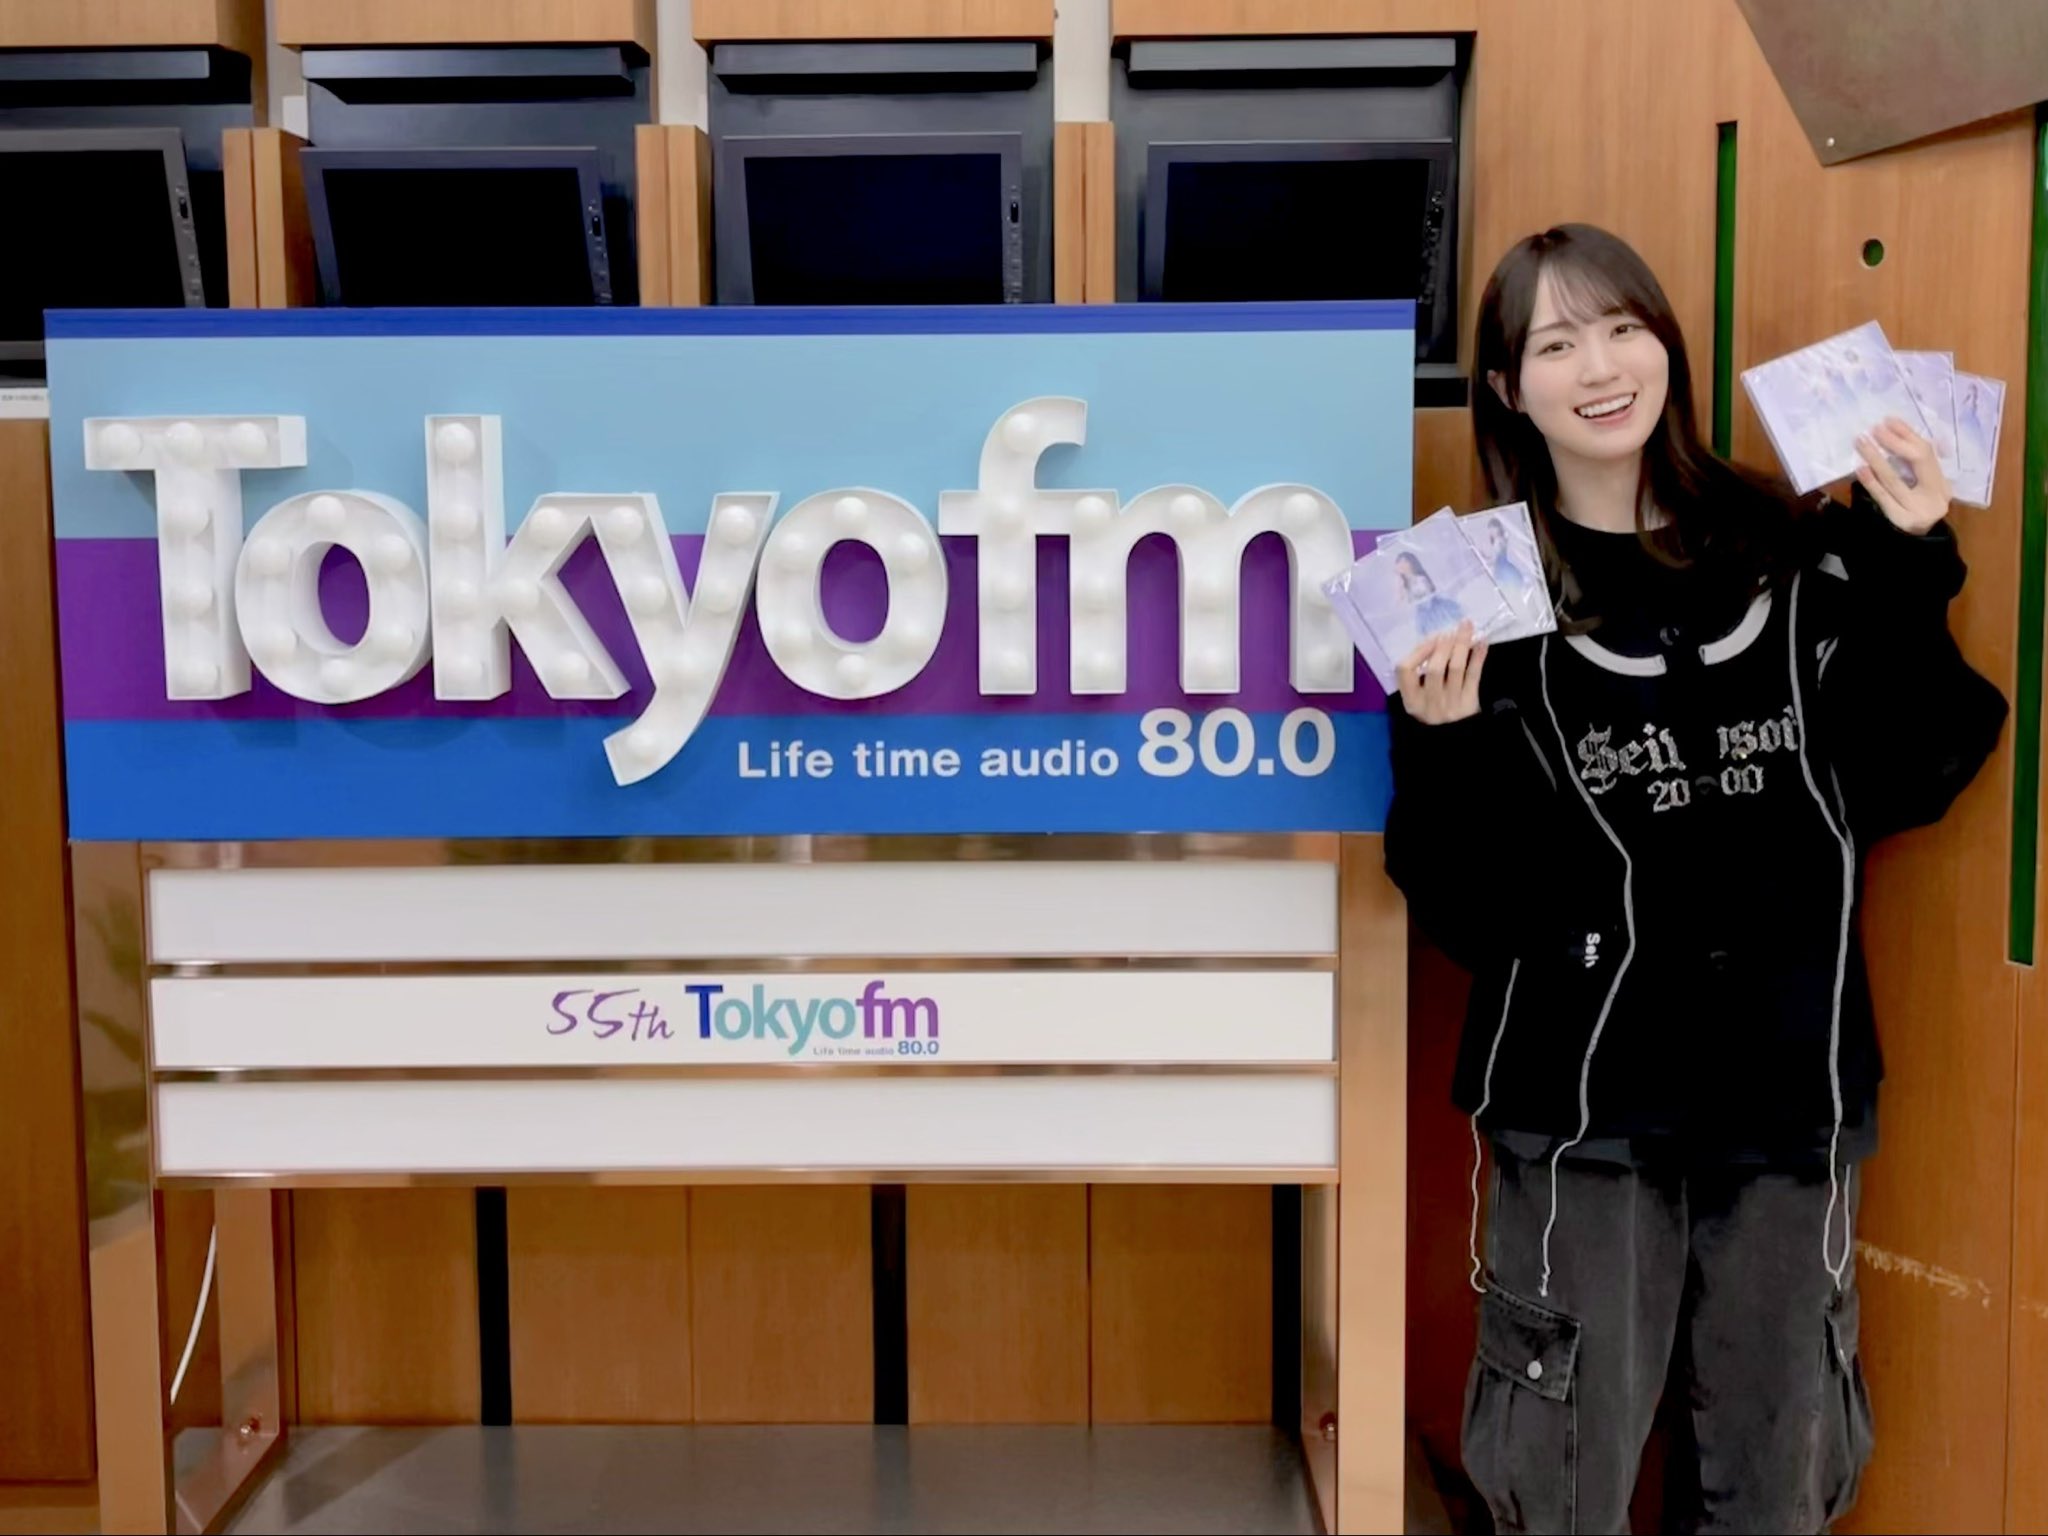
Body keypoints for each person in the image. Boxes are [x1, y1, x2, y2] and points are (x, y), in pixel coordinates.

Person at [1384, 224, 2006, 1534]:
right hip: (1582, 1112)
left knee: (1774, 1486)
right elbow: (1469, 912)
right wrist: (1444, 747)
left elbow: (1914, 766)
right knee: (1560, 1487)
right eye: (1556, 344)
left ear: (1665, 345)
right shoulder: (1472, 606)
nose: (1599, 367)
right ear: (1506, 387)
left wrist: (1910, 555)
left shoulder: (1791, 553)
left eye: (1623, 329)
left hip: (1787, 1096)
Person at [1397, 550, 1465, 636]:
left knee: (1446, 627)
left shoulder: (1420, 578)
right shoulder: (1404, 584)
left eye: (1404, 562)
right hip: (1423, 612)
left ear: (1411, 563)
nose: (1402, 565)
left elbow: (1425, 591)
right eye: (1400, 563)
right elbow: (1402, 602)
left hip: (1433, 608)